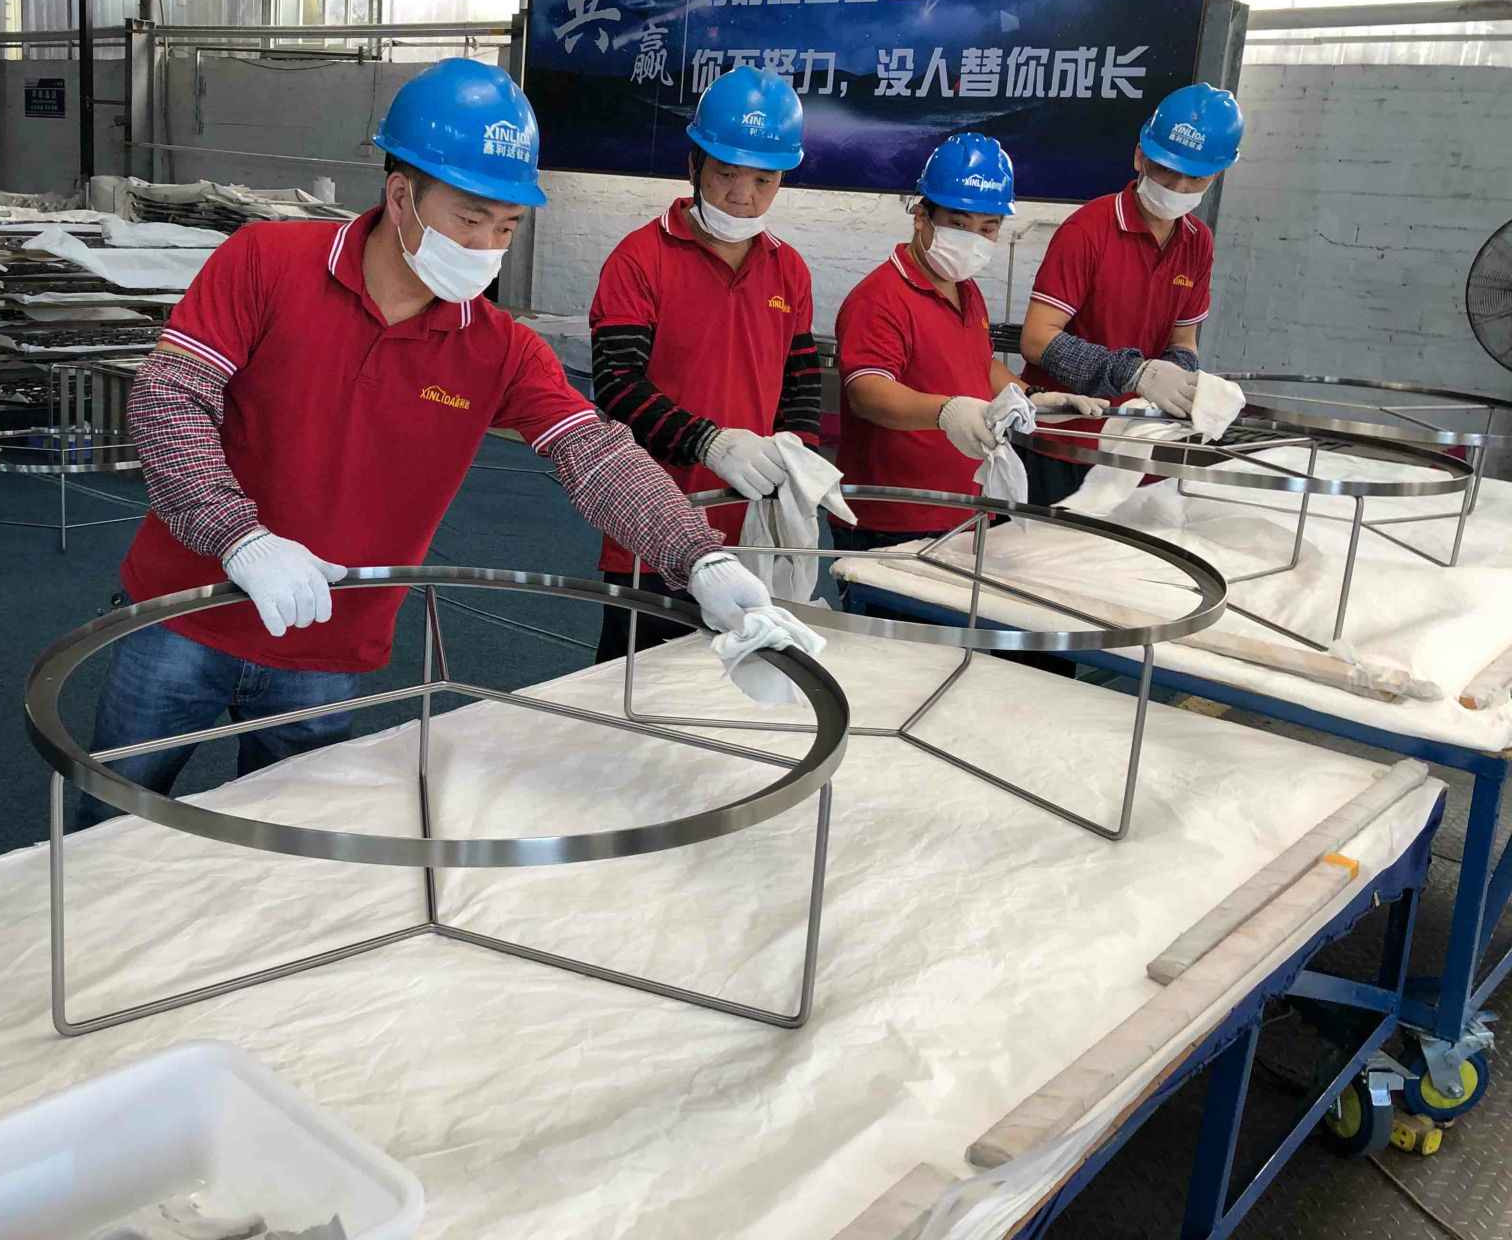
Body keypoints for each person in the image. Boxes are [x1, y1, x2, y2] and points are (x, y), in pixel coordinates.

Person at [72, 58, 788, 830]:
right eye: (470, 220)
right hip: (183, 614)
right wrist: (237, 536)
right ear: (400, 196)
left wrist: (697, 557)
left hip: (327, 638)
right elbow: (170, 399)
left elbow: (595, 454)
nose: (486, 247)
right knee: (106, 829)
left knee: (284, 855)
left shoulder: (499, 347)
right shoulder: (266, 263)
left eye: (507, 228)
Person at [587, 64, 822, 661]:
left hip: (754, 528)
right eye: (726, 173)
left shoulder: (788, 269)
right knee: (634, 686)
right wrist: (708, 443)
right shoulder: (640, 258)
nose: (743, 195)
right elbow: (617, 386)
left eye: (764, 179)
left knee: (740, 691)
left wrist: (797, 459)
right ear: (693, 164)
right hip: (653, 523)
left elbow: (800, 380)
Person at [833, 133, 1104, 561]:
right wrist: (947, 412)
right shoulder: (879, 298)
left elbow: (979, 362)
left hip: (967, 505)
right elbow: (867, 393)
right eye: (958, 225)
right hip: (895, 516)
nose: (973, 239)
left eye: (988, 228)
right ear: (921, 216)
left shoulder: (967, 290)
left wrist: (1031, 396)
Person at [1016, 82, 1246, 505]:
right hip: (1061, 439)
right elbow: (1037, 339)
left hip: (1136, 441)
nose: (1177, 187)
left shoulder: (1197, 242)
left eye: (1194, 177)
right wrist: (1135, 373)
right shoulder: (1088, 231)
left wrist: (1177, 380)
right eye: (1165, 170)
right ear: (1140, 156)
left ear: (1216, 175)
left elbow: (1183, 339)